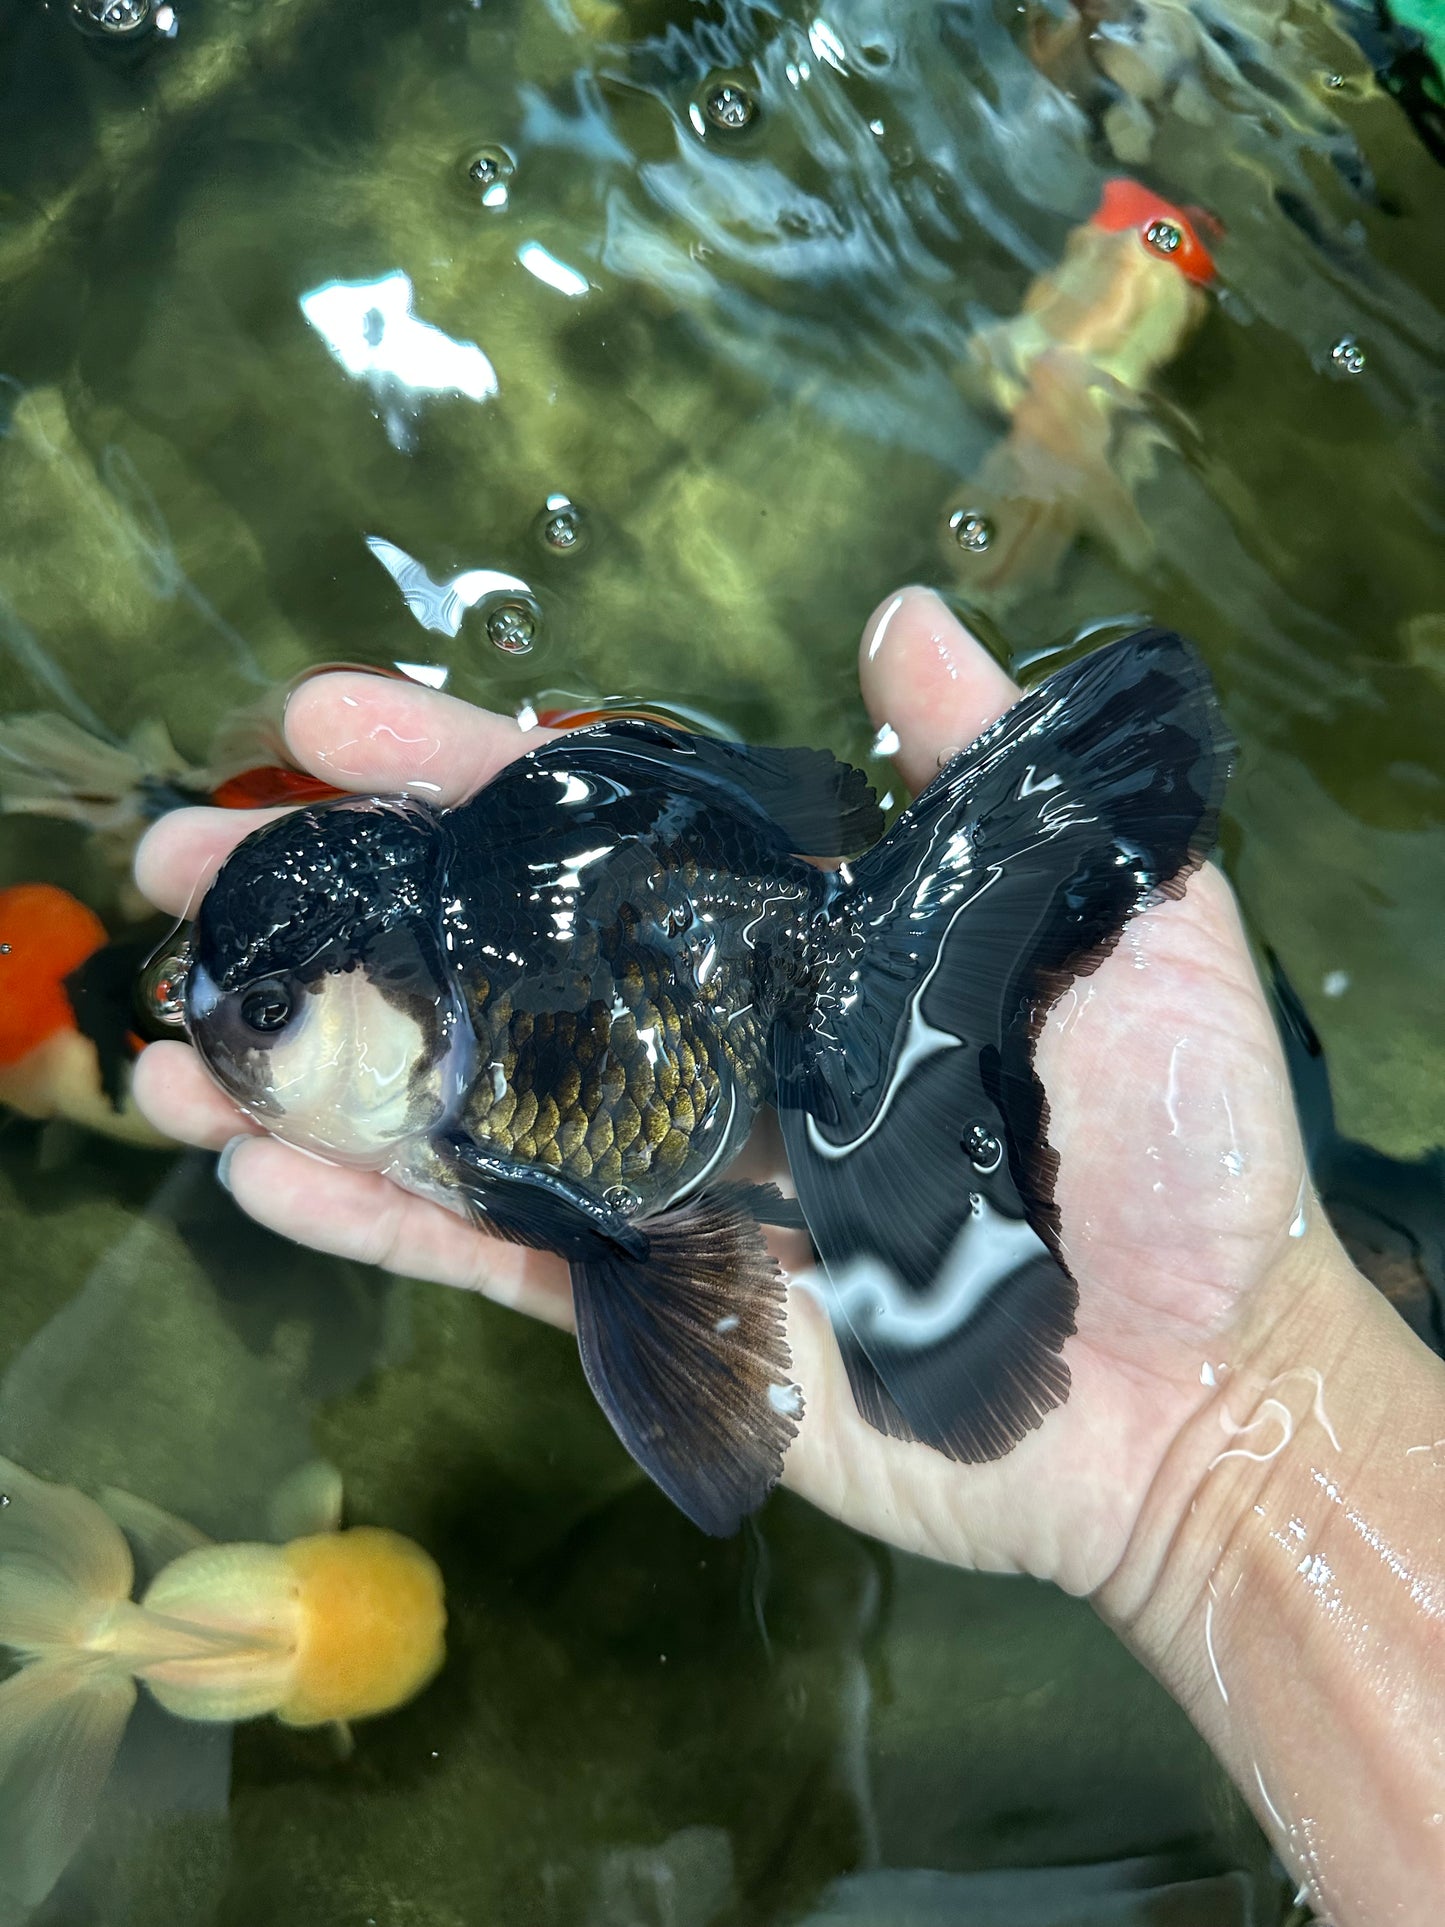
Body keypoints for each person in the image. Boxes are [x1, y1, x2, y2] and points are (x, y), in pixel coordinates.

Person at [132, 587, 1445, 1924]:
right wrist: (1217, 1454)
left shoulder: (483, 1099)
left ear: (395, 1005)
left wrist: (1214, 1442)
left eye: (273, 1014)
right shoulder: (471, 980)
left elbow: (627, 1254)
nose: (216, 1029)